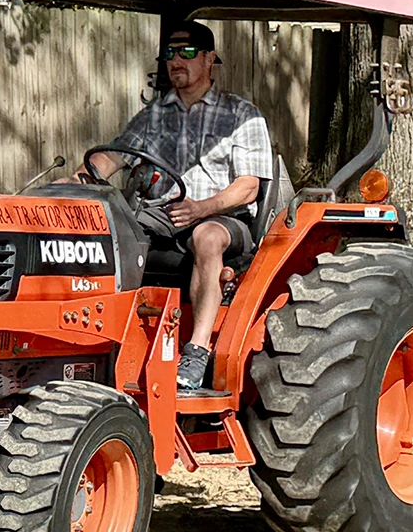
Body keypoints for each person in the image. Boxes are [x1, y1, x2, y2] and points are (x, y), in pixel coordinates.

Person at [85, 21, 273, 395]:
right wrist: (78, 179)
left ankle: (197, 351)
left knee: (206, 238)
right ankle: (103, 343)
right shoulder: (154, 114)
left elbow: (248, 187)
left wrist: (202, 208)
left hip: (223, 217)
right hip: (162, 212)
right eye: (169, 53)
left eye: (186, 53)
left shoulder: (241, 115)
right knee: (107, 232)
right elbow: (114, 158)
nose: (176, 61)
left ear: (209, 59)